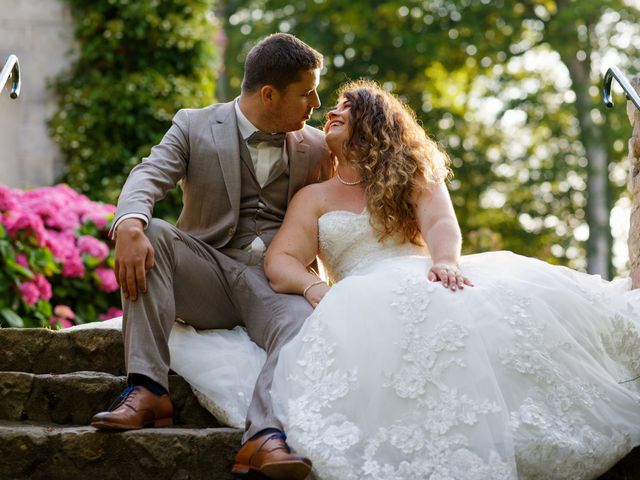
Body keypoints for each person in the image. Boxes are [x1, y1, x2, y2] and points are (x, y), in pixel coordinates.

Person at [259, 80, 640, 479]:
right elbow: (281, 260)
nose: (331, 113)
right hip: (358, 296)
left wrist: (445, 262)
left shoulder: (410, 171)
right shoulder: (313, 197)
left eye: (345, 106)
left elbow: (441, 221)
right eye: (332, 107)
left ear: (373, 121)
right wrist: (314, 286)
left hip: (426, 271)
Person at [89, 33, 333, 480]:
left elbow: (338, 209)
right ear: (269, 94)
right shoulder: (194, 124)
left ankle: (263, 436)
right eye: (307, 91)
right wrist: (128, 223)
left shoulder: (317, 146)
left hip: (275, 282)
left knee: (303, 324)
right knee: (155, 234)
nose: (316, 102)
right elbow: (149, 173)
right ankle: (146, 388)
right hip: (208, 273)